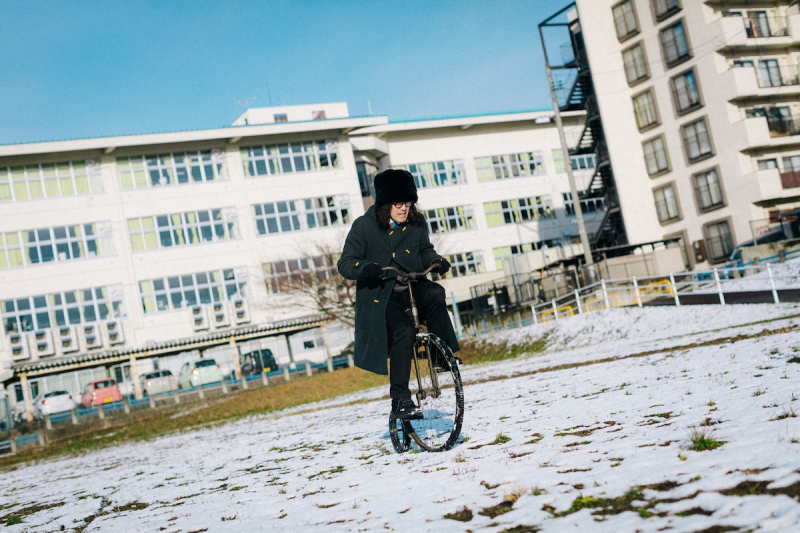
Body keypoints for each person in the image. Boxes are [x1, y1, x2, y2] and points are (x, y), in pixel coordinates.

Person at [337, 168, 460, 420]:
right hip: (383, 296)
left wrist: (436, 261)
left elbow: (425, 250)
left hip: (413, 286)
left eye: (407, 203)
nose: (404, 209)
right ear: (385, 204)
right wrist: (365, 268)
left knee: (436, 291)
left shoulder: (417, 223)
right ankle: (401, 400)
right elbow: (345, 263)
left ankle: (439, 356)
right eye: (398, 204)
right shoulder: (364, 226)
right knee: (403, 330)